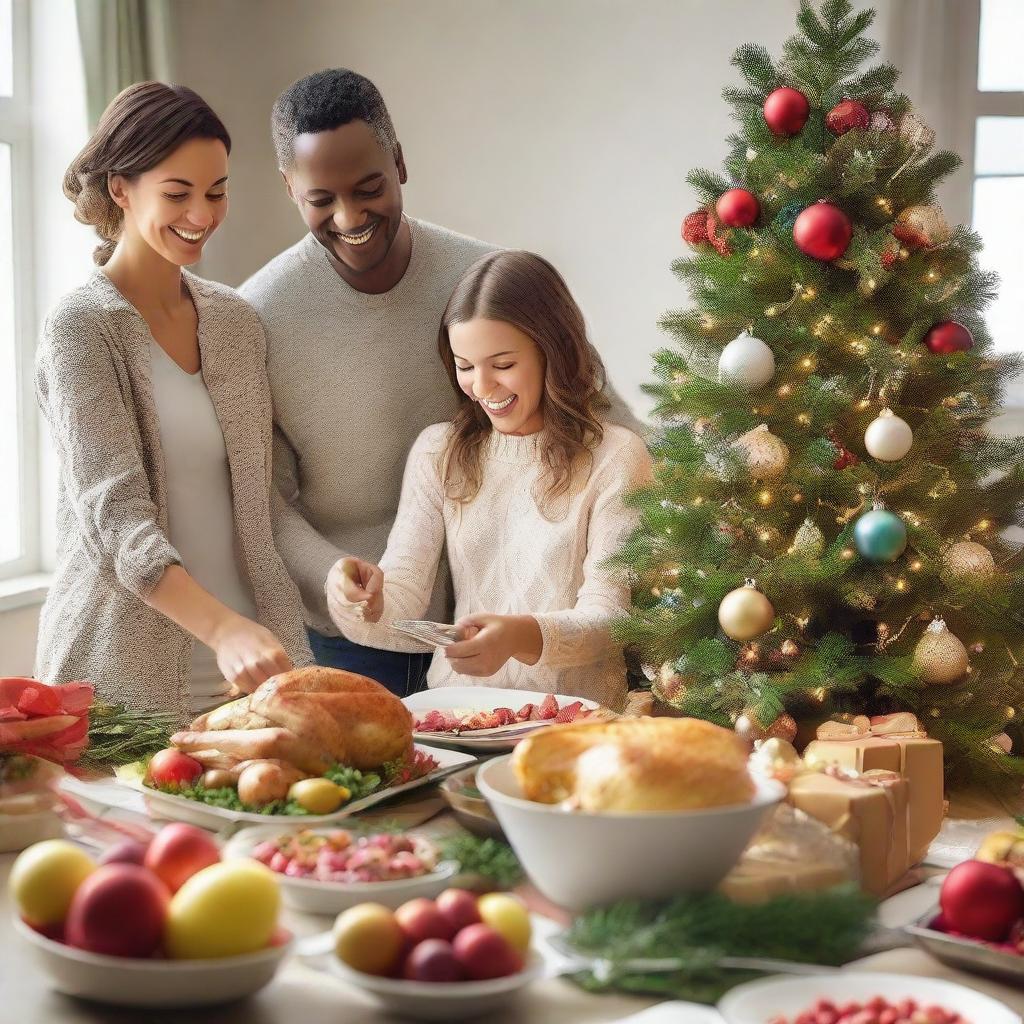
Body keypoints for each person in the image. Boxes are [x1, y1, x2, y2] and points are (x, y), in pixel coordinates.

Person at [241, 68, 643, 697]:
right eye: (320, 199)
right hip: (360, 634)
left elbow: (603, 414)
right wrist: (335, 577)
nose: (349, 216)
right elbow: (260, 491)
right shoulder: (258, 314)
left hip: (536, 639)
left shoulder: (488, 279)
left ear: (399, 163)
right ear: (289, 188)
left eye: (368, 187)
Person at [34, 82, 310, 724]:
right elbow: (118, 521)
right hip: (124, 672)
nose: (203, 214)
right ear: (120, 190)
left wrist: (333, 574)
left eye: (216, 192)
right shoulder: (80, 328)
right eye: (177, 194)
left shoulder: (235, 321)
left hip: (253, 668)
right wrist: (223, 630)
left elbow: (259, 502)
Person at [327, 251, 652, 710]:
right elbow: (401, 603)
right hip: (456, 714)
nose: (481, 387)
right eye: (465, 365)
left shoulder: (616, 456)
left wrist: (521, 635)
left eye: (502, 365)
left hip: (571, 724)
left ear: (551, 352)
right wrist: (358, 597)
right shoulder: (439, 452)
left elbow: (610, 617)